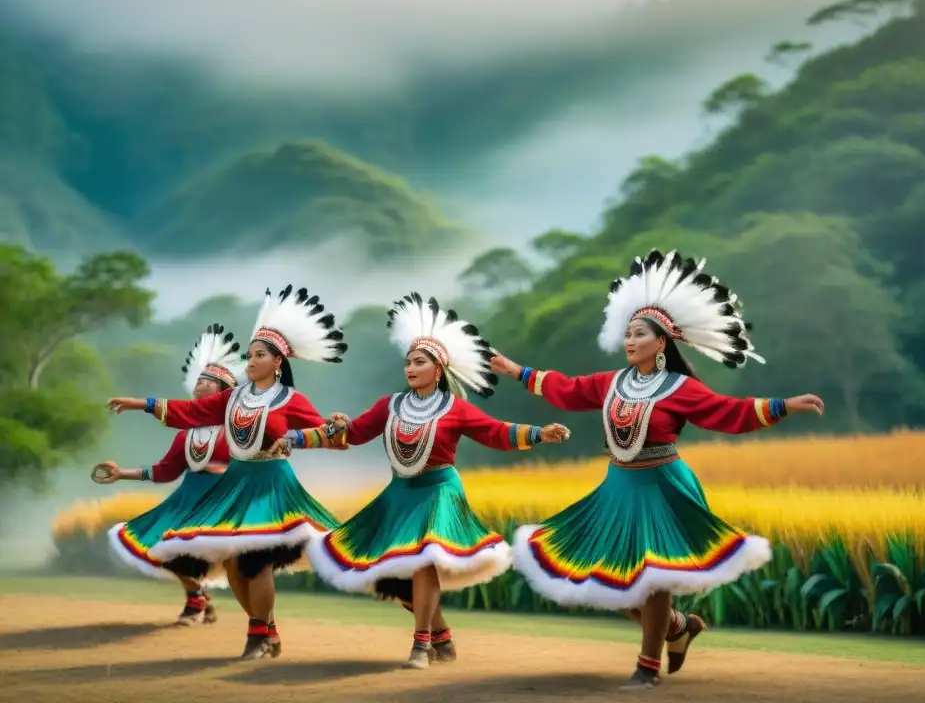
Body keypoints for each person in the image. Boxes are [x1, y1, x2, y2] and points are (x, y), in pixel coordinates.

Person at [489, 250, 825, 690]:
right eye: (627, 333)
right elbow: (567, 390)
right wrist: (516, 370)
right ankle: (678, 626)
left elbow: (729, 412)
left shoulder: (680, 388)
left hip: (663, 487)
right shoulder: (611, 382)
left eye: (639, 334)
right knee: (603, 581)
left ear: (661, 342)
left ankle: (647, 667)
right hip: (618, 489)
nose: (630, 340)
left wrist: (784, 406)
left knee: (654, 575)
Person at [289, 293, 570, 670]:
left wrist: (539, 433)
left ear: (438, 370)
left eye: (419, 361)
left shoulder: (456, 408)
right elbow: (351, 434)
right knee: (388, 574)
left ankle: (420, 646)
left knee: (423, 561)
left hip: (439, 491)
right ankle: (440, 637)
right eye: (407, 361)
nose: (410, 367)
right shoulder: (389, 406)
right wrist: (298, 438)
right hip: (400, 494)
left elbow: (495, 433)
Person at [106, 286, 348, 660]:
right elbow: (189, 412)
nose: (250, 361)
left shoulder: (291, 400)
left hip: (272, 485)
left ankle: (256, 636)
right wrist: (141, 403)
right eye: (249, 355)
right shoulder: (233, 398)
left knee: (258, 558)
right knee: (235, 563)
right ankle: (266, 629)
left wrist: (333, 428)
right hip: (236, 485)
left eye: (259, 355)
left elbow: (324, 436)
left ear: (278, 362)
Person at [95, 323, 245, 626]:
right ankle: (197, 600)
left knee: (230, 561)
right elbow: (165, 471)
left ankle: (256, 624)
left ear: (222, 393)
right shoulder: (185, 436)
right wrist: (121, 473)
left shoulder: (239, 431)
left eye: (207, 382)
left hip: (224, 503)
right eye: (198, 380)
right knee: (170, 551)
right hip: (186, 502)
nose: (199, 385)